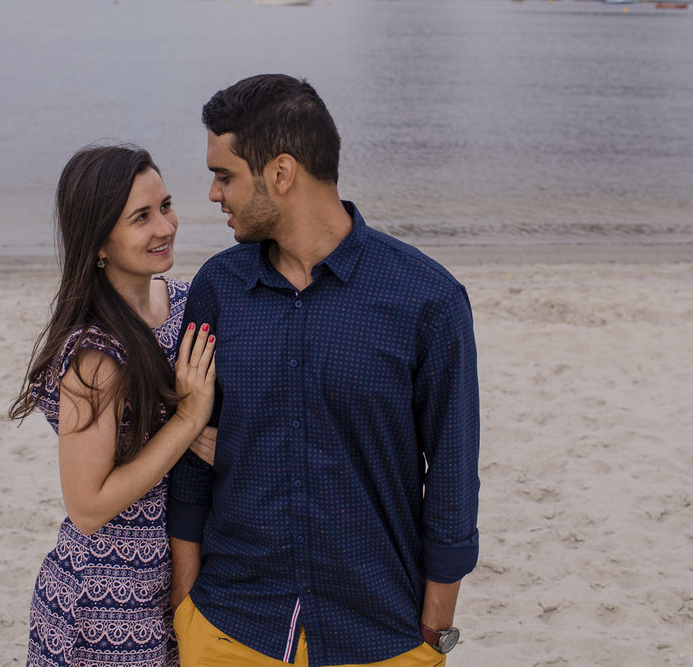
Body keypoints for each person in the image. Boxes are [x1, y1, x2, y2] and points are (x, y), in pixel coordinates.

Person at [168, 75, 481, 667]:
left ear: (281, 174)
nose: (213, 193)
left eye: (225, 174)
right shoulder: (218, 288)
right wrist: (187, 606)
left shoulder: (427, 300)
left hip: (380, 632)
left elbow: (453, 476)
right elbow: (191, 464)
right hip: (230, 625)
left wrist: (435, 628)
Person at [10, 144, 217, 667]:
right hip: (107, 596)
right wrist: (188, 421)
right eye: (141, 218)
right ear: (99, 240)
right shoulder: (94, 357)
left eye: (166, 206)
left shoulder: (190, 302)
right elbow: (88, 506)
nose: (165, 227)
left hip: (184, 573)